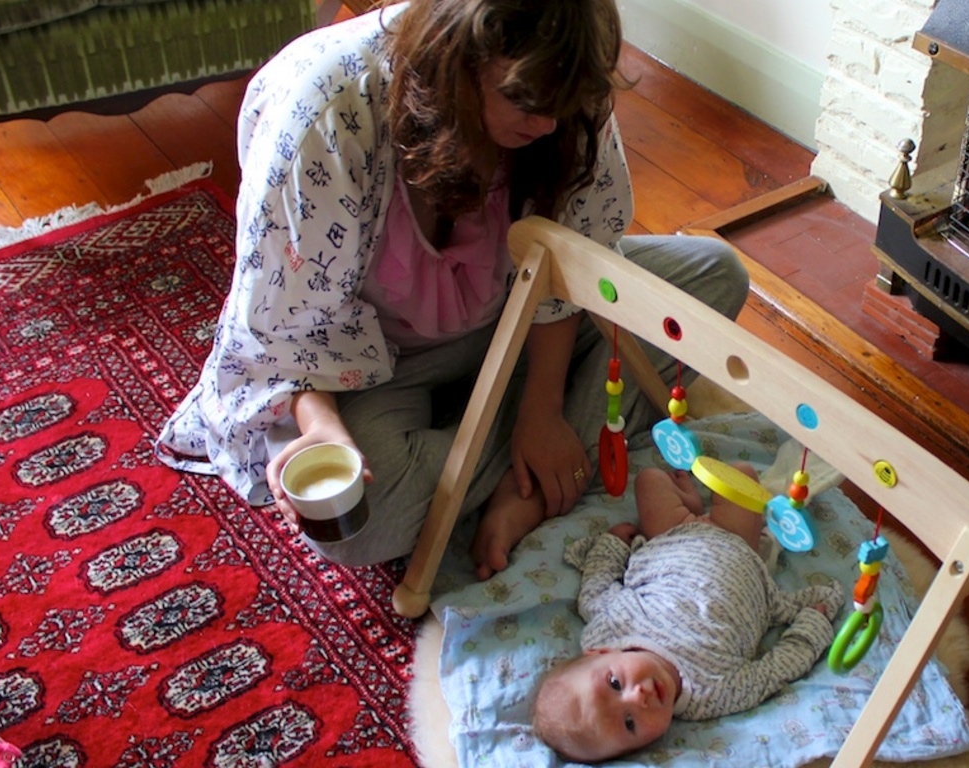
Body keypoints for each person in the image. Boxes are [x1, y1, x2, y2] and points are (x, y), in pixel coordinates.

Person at [155, 0, 749, 580]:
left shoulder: (563, 89)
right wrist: (323, 429)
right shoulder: (330, 113)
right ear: (458, 57)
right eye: (524, 102)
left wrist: (542, 409)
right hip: (375, 361)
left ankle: (526, 461)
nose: (546, 126)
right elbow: (291, 328)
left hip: (511, 314)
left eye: (562, 109)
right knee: (362, 519)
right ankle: (544, 460)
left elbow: (571, 262)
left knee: (714, 277)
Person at [532, 463, 843, 762]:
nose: (637, 698)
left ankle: (687, 501)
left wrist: (611, 544)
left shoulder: (613, 626)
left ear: (599, 652)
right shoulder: (713, 694)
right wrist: (811, 625)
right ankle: (697, 504)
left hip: (670, 536)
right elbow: (776, 670)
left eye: (614, 684)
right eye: (630, 724)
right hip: (737, 545)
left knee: (650, 480)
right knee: (741, 475)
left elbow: (595, 586)